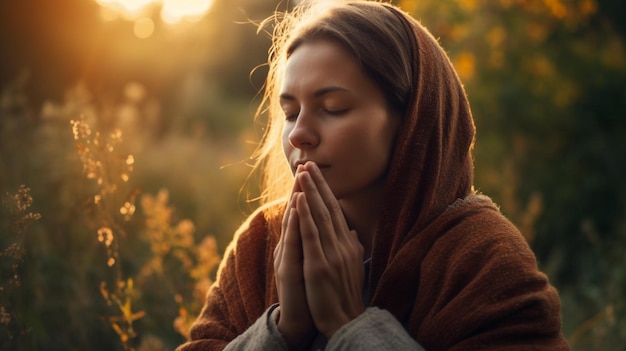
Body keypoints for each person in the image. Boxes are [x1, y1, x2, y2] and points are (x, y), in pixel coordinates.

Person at [177, 0, 569, 350]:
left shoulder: (481, 259)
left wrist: (352, 327)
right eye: (291, 112)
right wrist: (283, 328)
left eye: (333, 107)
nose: (299, 133)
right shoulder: (260, 243)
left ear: (412, 121)